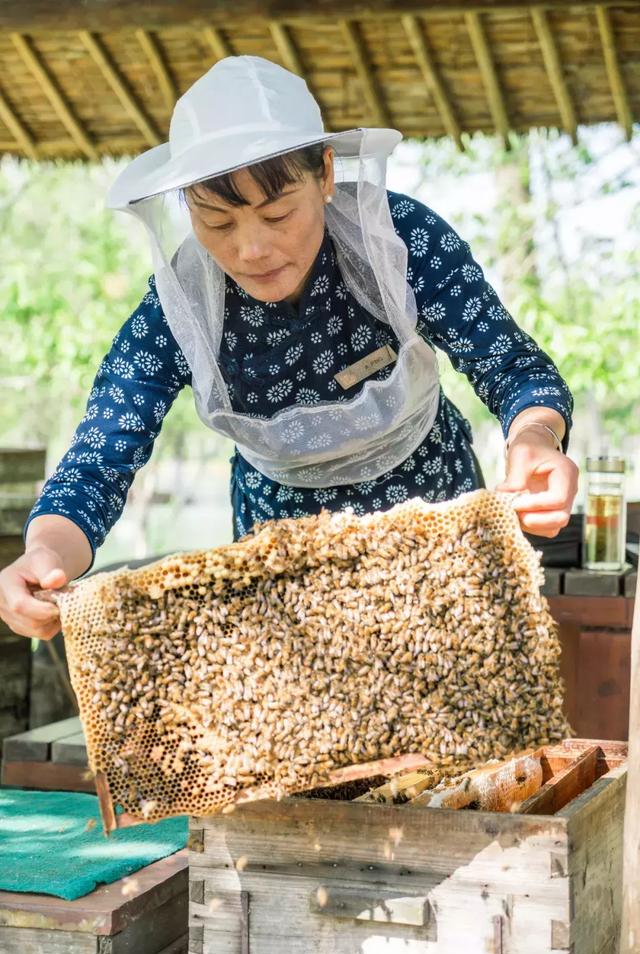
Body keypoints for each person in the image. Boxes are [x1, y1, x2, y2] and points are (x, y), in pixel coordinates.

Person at [0, 56, 577, 643]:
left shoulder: (398, 240)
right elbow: (99, 459)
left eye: (277, 213)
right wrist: (44, 553)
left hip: (436, 529)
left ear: (326, 174)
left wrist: (535, 439)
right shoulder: (180, 305)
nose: (252, 249)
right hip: (278, 578)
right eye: (218, 222)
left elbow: (514, 369)